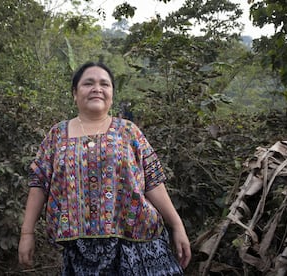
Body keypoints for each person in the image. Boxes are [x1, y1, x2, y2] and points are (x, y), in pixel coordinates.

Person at [18, 62, 191, 275]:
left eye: (104, 84)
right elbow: (39, 185)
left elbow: (153, 182)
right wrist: (27, 233)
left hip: (137, 244)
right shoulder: (57, 135)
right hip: (79, 250)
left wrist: (177, 225)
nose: (97, 88)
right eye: (88, 83)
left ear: (112, 93)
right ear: (75, 93)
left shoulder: (128, 131)